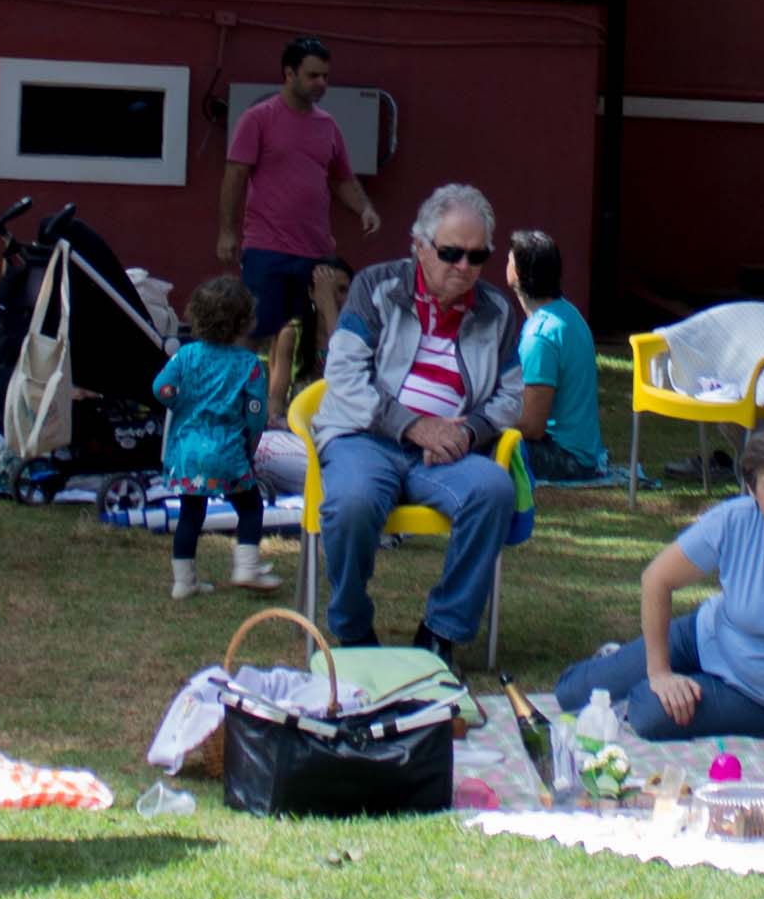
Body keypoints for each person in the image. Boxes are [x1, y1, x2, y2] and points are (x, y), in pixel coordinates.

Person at [312, 182, 528, 657]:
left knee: (493, 491)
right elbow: (344, 375)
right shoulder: (376, 287)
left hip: (449, 446)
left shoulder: (495, 311)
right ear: (419, 246)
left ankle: (441, 633)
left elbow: (512, 396)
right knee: (351, 503)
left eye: (478, 256)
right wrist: (412, 425)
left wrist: (468, 430)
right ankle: (351, 629)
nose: (464, 267)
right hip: (366, 437)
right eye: (452, 253)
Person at [554, 420, 764, 740]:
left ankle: (683, 681)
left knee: (648, 712)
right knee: (571, 694)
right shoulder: (734, 520)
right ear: (753, 490)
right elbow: (656, 578)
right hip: (705, 636)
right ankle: (633, 664)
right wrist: (660, 673)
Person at [217, 36, 381, 392]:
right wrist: (227, 231)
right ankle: (240, 403)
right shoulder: (259, 119)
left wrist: (364, 208)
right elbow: (235, 175)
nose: (321, 84)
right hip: (267, 247)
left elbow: (342, 179)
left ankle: (308, 405)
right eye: (313, 76)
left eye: (325, 76)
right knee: (256, 330)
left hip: (316, 251)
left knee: (314, 332)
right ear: (289, 74)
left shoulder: (328, 126)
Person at [155, 274, 280, 600]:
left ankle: (184, 581)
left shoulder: (185, 355)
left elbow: (161, 388)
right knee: (250, 506)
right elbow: (255, 414)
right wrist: (250, 445)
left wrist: (178, 402)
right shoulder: (250, 365)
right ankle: (246, 566)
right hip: (228, 452)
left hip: (188, 452)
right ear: (245, 323)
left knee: (190, 514)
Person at [506, 227, 611, 484]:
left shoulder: (540, 335)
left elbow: (532, 425)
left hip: (567, 460)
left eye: (509, 259)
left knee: (473, 447)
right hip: (584, 454)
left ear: (518, 273)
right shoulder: (568, 314)